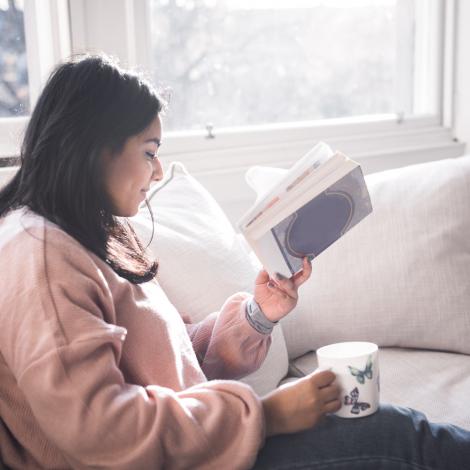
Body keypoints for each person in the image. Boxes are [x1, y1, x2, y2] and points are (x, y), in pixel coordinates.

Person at [0, 54, 468, 470]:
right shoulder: (40, 257)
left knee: (394, 429)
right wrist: (267, 415)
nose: (158, 172)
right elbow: (102, 434)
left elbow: (167, 367)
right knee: (393, 435)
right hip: (186, 456)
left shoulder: (81, 234)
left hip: (196, 445)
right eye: (149, 152)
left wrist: (256, 317)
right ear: (94, 146)